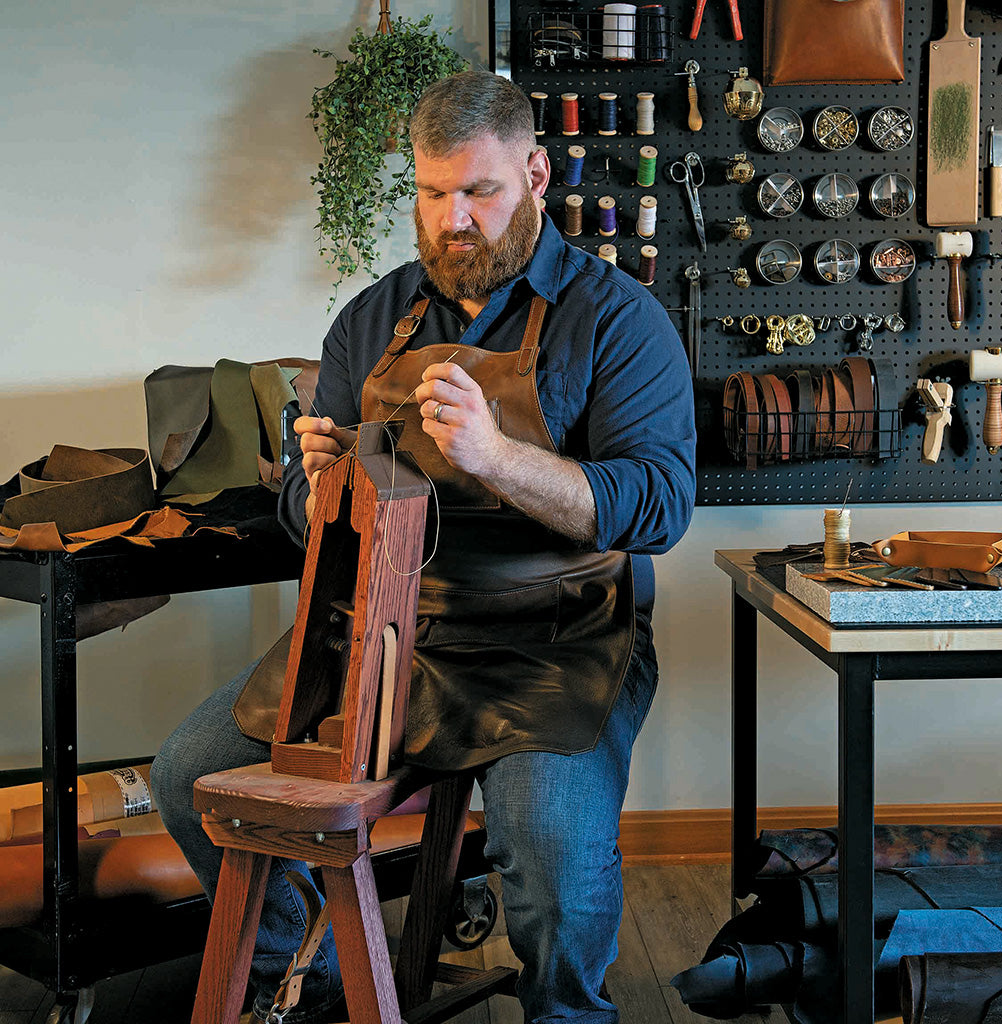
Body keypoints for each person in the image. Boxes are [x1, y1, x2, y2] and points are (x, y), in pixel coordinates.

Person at [152, 69, 696, 1024]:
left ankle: (568, 1013)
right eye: (434, 193)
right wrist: (318, 489)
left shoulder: (617, 319)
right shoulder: (373, 319)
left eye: (480, 191)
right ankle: (313, 985)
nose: (454, 220)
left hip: (556, 638)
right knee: (189, 775)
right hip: (381, 630)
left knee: (550, 850)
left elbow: (658, 507)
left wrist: (496, 456)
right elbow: (306, 516)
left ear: (535, 175)